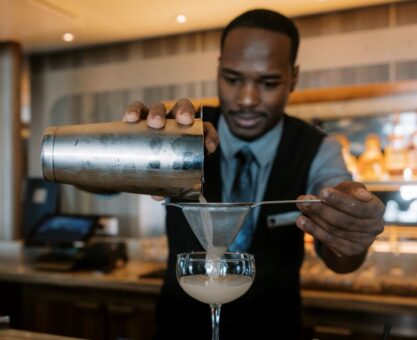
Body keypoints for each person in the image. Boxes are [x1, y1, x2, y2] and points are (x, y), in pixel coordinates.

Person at [121, 9, 385, 340]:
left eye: (269, 82)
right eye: (232, 79)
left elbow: (341, 259)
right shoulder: (183, 135)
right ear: (218, 70)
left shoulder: (318, 148)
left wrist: (349, 227)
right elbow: (102, 190)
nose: (247, 99)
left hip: (274, 330)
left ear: (294, 78)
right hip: (178, 329)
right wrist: (131, 147)